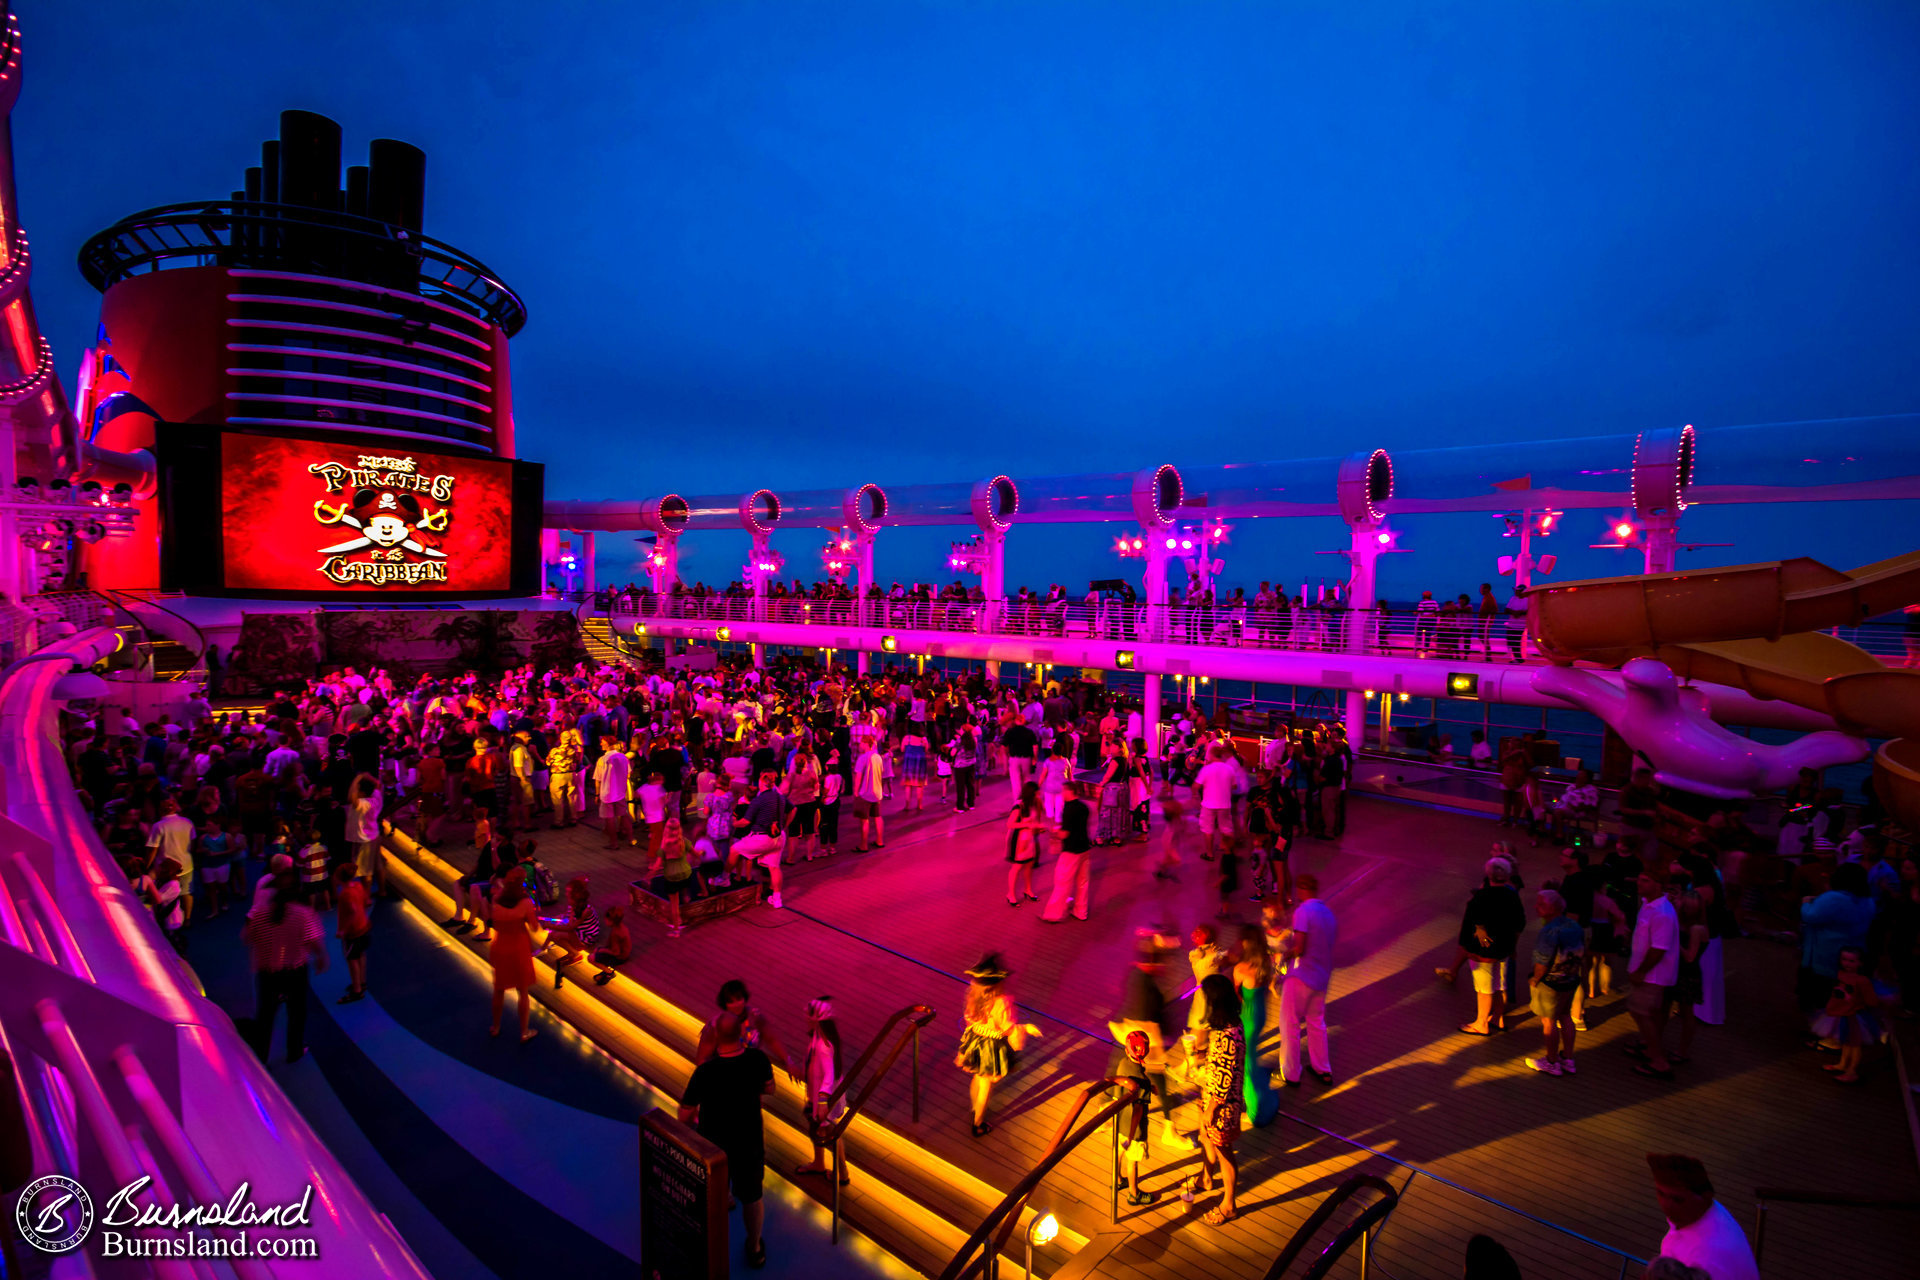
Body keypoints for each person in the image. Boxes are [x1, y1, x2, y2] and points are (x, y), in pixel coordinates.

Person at [680, 1012, 776, 1270]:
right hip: (749, 1143)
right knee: (753, 1197)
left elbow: (685, 1112)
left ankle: (709, 1248)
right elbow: (770, 1088)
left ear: (717, 1037)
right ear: (740, 1034)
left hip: (713, 1146)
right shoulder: (757, 1059)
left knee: (711, 1197)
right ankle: (755, 1248)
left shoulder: (705, 1072)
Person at [242, 869, 328, 1064]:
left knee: (265, 1015)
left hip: (267, 972)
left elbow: (247, 937)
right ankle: (295, 1050)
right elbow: (314, 941)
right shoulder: (303, 914)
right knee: (297, 1012)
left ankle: (260, 1058)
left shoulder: (260, 913)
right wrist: (321, 957)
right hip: (294, 971)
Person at [1440, 856, 1528, 1036]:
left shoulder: (1481, 897)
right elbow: (1520, 922)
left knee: (1484, 988)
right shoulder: (1512, 895)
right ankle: (1498, 1017)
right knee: (1498, 985)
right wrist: (1513, 946)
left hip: (1483, 951)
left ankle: (1481, 1023)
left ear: (1488, 874)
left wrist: (1477, 933)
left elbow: (1472, 921)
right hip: (1503, 948)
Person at [1182, 974, 1244, 1225]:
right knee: (1206, 1138)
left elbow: (1225, 1079)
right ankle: (1206, 1177)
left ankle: (1229, 1204)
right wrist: (1201, 1052)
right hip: (1211, 1097)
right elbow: (1220, 1062)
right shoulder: (1227, 1025)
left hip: (1221, 1106)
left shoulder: (1229, 1035)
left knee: (1224, 1150)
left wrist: (1211, 1109)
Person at [956, 953, 1038, 1137]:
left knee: (977, 1077)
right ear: (998, 982)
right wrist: (1026, 1028)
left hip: (974, 1041)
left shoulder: (973, 994)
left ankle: (974, 1108)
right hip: (991, 1048)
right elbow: (1008, 1028)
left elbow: (969, 1019)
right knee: (987, 1084)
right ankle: (978, 1123)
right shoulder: (1002, 1001)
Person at [1645, 1153, 1760, 1280]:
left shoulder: (1708, 1260)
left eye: (1677, 1199)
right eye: (1660, 1193)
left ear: (1706, 1196)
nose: (1667, 1205)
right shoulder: (1698, 1213)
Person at [1279, 871, 1337, 1086]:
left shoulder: (1303, 911)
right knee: (1316, 1023)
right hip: (1321, 978)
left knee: (1290, 1024)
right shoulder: (1328, 914)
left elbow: (1300, 947)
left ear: (1303, 888)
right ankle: (1322, 1069)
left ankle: (1291, 1073)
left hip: (1300, 976)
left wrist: (1281, 955)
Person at [1626, 869, 1681, 1080]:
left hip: (1652, 976)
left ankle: (1658, 1061)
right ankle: (1650, 1048)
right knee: (1644, 1012)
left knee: (1642, 1013)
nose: (1639, 883)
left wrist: (1641, 972)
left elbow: (1659, 948)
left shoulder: (1663, 913)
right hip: (1646, 974)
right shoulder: (1648, 904)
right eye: (1639, 879)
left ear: (1658, 884)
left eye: (1645, 880)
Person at [1525, 888, 1584, 1076]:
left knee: (1548, 1022)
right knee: (1566, 1017)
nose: (1536, 907)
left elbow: (1542, 961)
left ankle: (1551, 1061)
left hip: (1551, 983)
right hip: (1571, 979)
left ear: (1553, 908)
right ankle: (1568, 1059)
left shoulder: (1549, 931)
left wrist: (1535, 979)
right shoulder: (1574, 926)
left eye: (1541, 905)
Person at [794, 997, 851, 1186]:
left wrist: (822, 1101)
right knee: (824, 1130)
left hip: (823, 1098)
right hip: (819, 1094)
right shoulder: (821, 1037)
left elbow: (828, 1074)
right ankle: (822, 1165)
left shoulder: (822, 1045)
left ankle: (841, 1174)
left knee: (830, 1133)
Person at [1233, 924, 1281, 1125]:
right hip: (1261, 1015)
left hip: (1247, 1019)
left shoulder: (1241, 969)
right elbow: (1271, 985)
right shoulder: (1265, 964)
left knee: (1247, 1064)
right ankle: (1257, 1098)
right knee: (1251, 1056)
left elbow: (1236, 997)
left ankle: (1255, 1112)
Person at [1811, 946, 1880, 1083]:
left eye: (1852, 961)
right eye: (1844, 959)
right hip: (1842, 1013)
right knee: (1846, 1042)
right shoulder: (1841, 974)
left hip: (1854, 1016)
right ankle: (1842, 1064)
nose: (1847, 963)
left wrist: (1853, 999)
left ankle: (1852, 1071)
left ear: (1860, 963)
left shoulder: (1862, 981)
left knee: (1854, 1045)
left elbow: (1871, 1001)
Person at [488, 867, 543, 1042]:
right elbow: (535, 928)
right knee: (523, 991)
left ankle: (496, 1027)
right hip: (519, 949)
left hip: (500, 946)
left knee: (498, 989)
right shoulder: (526, 903)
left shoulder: (496, 899)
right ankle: (524, 1031)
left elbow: (494, 924)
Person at [1040, 781, 1093, 920]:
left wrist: (1054, 832)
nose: (1062, 793)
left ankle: (1052, 914)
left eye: (1064, 791)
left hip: (1071, 850)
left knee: (1062, 882)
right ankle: (1081, 912)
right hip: (1084, 849)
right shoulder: (1084, 807)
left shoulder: (1069, 809)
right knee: (1083, 883)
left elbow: (1065, 834)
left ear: (1070, 791)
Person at [333, 863, 372, 1005]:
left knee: (352, 959)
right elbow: (366, 902)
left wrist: (343, 929)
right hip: (364, 927)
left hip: (353, 932)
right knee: (361, 954)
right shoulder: (357, 886)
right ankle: (361, 982)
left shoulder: (344, 894)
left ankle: (356, 990)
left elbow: (352, 911)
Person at [346, 771, 385, 897]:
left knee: (364, 870)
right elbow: (377, 784)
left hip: (364, 839)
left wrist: (358, 779)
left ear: (361, 792)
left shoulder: (364, 803)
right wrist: (367, 777)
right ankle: (382, 890)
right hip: (373, 835)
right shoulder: (376, 797)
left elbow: (351, 797)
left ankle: (366, 896)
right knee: (378, 864)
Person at [593, 736, 633, 849]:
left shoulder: (602, 760)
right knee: (624, 815)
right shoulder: (624, 757)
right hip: (620, 792)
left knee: (609, 818)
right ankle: (631, 839)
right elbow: (629, 773)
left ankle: (614, 843)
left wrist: (597, 794)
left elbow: (598, 779)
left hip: (607, 793)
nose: (601, 744)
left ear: (608, 744)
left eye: (602, 742)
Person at [590, 904, 631, 986]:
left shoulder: (615, 934)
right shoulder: (622, 927)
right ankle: (605, 970)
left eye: (606, 919)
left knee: (591, 958)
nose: (605, 920)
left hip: (620, 957)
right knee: (597, 951)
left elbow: (616, 952)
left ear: (611, 921)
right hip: (625, 953)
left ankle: (609, 972)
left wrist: (602, 950)